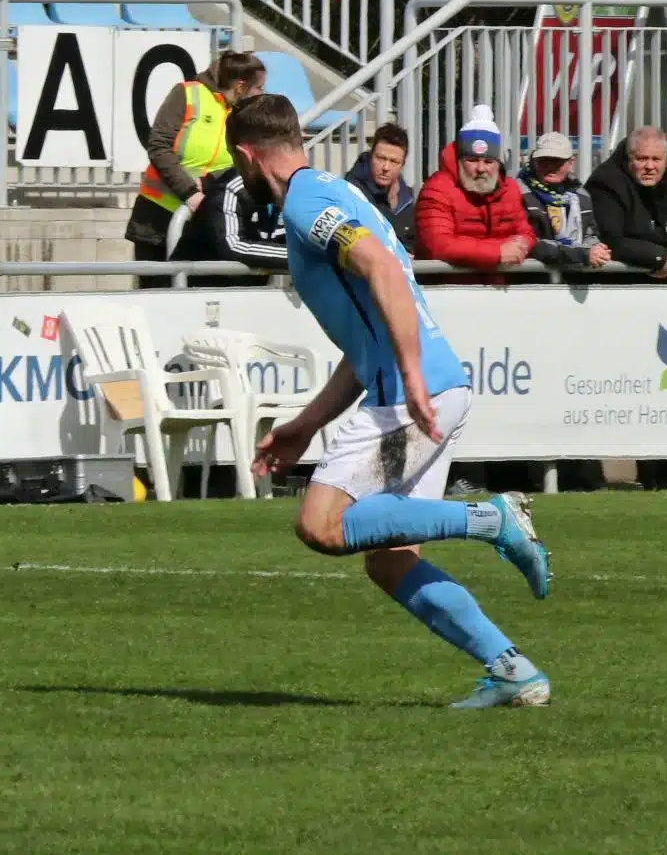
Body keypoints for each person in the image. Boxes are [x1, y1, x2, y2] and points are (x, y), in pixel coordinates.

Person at [229, 93, 552, 709]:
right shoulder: (343, 194)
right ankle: (512, 669)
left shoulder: (303, 202)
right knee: (391, 561)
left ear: (248, 155)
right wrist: (306, 424)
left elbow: (377, 266)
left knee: (320, 525)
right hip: (441, 386)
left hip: (412, 392)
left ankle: (493, 519)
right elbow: (366, 336)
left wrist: (407, 374)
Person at [124, 51, 266, 288]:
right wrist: (190, 192)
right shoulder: (187, 93)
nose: (262, 93)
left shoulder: (246, 112)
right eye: (259, 87)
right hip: (158, 219)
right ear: (241, 86)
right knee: (155, 297)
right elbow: (159, 146)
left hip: (206, 221)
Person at [414, 105, 534, 276]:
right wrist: (497, 252)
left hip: (500, 290)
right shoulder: (437, 189)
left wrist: (521, 243)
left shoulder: (510, 189)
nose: (481, 168)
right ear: (460, 160)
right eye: (472, 160)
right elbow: (438, 245)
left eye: (488, 162)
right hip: (446, 290)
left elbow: (526, 232)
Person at [586, 124, 667, 276]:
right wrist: (657, 257)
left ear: (665, 159)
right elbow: (612, 240)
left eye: (656, 159)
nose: (649, 166)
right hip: (619, 278)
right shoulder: (605, 183)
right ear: (628, 158)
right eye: (642, 159)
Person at [168, 167, 288, 279]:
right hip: (197, 289)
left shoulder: (299, 185)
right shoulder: (234, 187)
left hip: (254, 289)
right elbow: (233, 245)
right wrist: (298, 256)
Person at [516, 132, 611, 271]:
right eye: (543, 161)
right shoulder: (519, 193)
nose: (550, 167)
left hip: (574, 279)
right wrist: (581, 254)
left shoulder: (581, 195)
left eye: (557, 161)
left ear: (571, 162)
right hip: (531, 279)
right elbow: (531, 243)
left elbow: (590, 234)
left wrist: (596, 248)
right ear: (533, 162)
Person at [345, 123, 417, 253]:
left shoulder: (410, 199)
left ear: (403, 164)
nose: (386, 167)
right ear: (371, 156)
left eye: (394, 161)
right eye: (381, 158)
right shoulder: (352, 193)